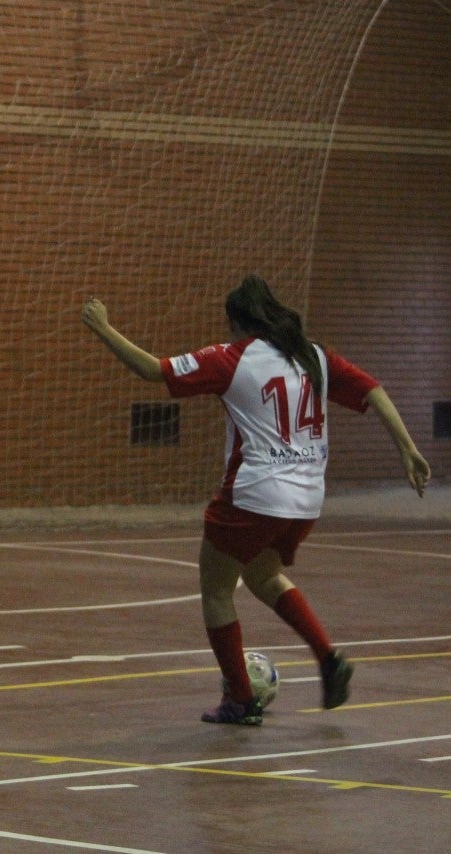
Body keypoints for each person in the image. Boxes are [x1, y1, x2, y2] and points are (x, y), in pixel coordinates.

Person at [81, 274, 429, 725]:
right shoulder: (314, 356)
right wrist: (407, 447)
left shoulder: (231, 359)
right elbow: (372, 390)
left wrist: (103, 327)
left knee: (216, 591)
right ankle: (327, 657)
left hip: (255, 494)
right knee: (264, 575)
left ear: (235, 322)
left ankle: (240, 700)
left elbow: (154, 369)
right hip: (306, 498)